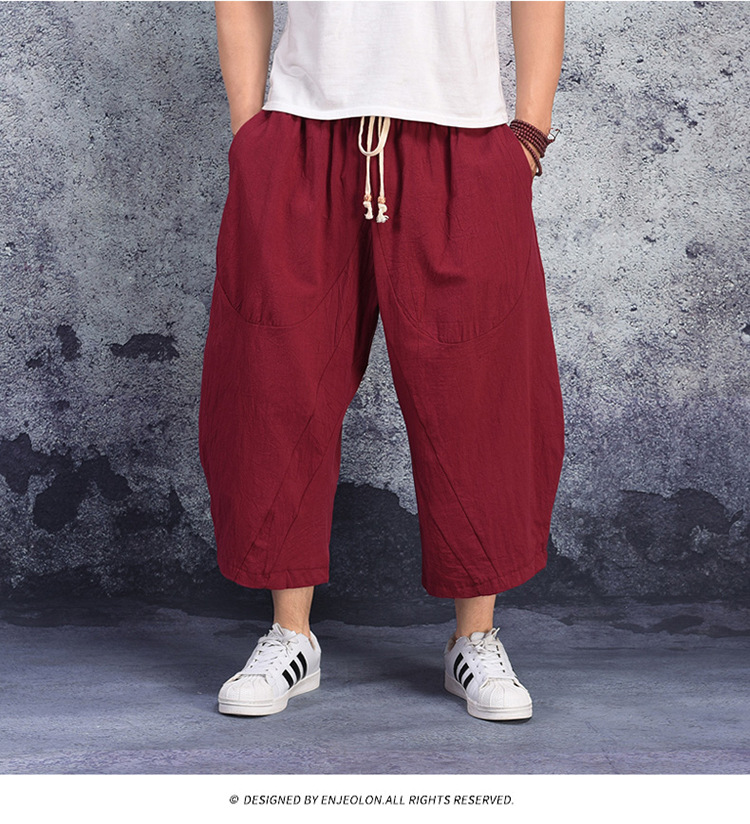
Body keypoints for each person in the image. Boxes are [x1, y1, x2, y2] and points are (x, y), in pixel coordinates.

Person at [199, 0, 566, 721]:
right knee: (276, 382)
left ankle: (476, 638)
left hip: (460, 135)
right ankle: (290, 636)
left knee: (478, 389)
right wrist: (250, 133)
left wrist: (528, 132)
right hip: (303, 131)